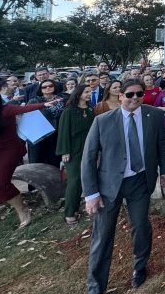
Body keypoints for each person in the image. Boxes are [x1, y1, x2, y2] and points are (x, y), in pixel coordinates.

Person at [82, 79, 165, 293]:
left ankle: (139, 268)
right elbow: (89, 157)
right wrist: (91, 194)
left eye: (139, 94)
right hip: (109, 185)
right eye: (130, 94)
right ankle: (96, 285)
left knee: (140, 226)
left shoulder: (153, 115)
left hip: (140, 181)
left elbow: (162, 144)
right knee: (103, 235)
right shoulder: (102, 121)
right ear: (120, 96)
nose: (135, 98)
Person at [0, 90, 59, 234]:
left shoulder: (5, 110)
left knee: (0, 183)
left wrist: (44, 104)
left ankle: (23, 211)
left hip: (9, 150)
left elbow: (23, 109)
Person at [56, 85, 95, 225]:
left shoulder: (89, 111)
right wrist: (64, 151)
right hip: (73, 149)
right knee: (74, 179)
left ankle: (76, 207)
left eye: (90, 92)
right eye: (86, 92)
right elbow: (63, 132)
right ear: (78, 94)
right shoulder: (69, 112)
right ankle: (69, 213)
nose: (89, 94)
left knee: (83, 178)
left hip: (87, 148)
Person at [27, 78, 68, 168]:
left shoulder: (64, 99)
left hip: (57, 134)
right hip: (39, 135)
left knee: (54, 161)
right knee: (37, 163)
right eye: (44, 87)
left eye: (50, 86)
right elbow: (28, 119)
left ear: (55, 87)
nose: (47, 88)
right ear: (40, 89)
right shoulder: (34, 101)